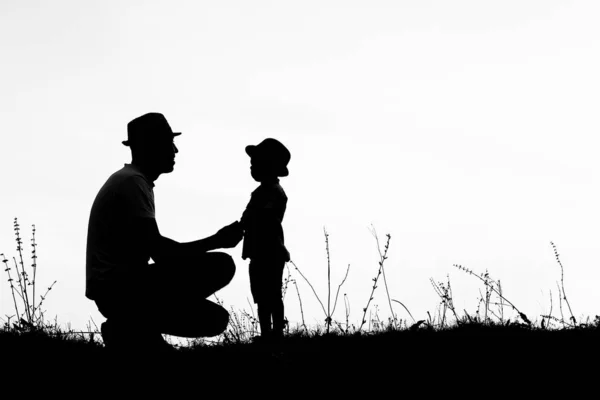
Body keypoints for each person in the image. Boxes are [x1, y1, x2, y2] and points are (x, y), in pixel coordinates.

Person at [85, 112, 243, 354]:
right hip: (119, 290)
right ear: (150, 146)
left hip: (118, 288)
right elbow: (161, 252)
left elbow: (157, 247)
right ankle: (127, 328)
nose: (175, 150)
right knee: (221, 266)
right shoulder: (133, 183)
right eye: (169, 143)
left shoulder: (132, 181)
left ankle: (137, 332)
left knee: (215, 318)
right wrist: (217, 240)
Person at [240, 138, 291, 342]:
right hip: (259, 251)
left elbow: (264, 216)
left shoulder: (275, 193)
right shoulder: (260, 192)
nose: (252, 167)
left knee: (273, 295)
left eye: (256, 162)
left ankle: (276, 332)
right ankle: (266, 333)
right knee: (262, 296)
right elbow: (249, 216)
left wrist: (247, 221)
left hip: (271, 250)